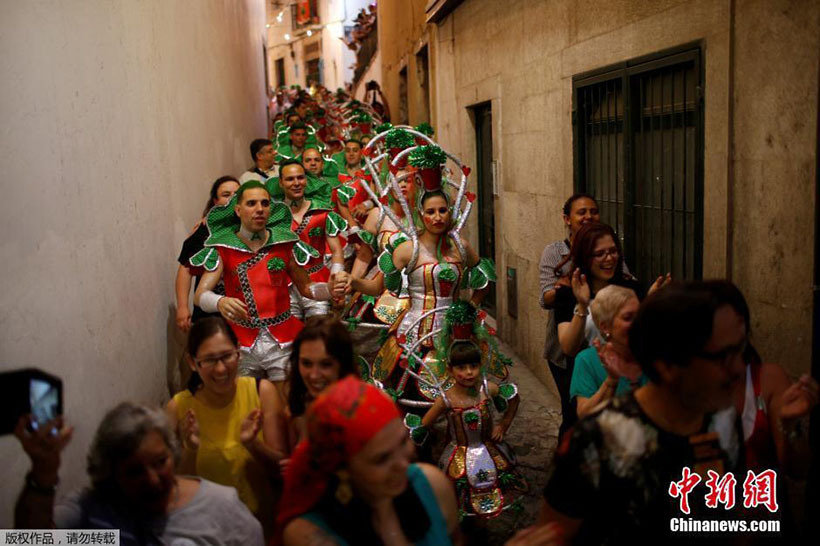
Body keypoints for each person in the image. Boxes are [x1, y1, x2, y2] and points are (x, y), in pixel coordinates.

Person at [541, 281, 750, 542]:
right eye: (723, 357)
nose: (740, 369)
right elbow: (555, 534)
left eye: (741, 350)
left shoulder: (723, 418)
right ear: (668, 365)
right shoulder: (597, 438)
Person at [14, 402, 263, 545]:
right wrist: (43, 472)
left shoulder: (220, 507)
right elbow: (31, 541)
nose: (153, 480)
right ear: (110, 472)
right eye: (134, 472)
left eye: (160, 462)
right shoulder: (93, 510)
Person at [192, 182, 337, 396]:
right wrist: (219, 302)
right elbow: (200, 295)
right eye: (251, 203)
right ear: (238, 210)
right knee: (245, 404)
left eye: (265, 203)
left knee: (285, 405)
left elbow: (307, 288)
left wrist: (330, 289)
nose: (259, 209)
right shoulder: (224, 248)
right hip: (241, 341)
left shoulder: (284, 244)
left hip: (282, 340)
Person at [278, 376, 461, 545]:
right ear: (343, 469)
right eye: (382, 459)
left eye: (403, 442)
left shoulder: (431, 485)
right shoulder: (309, 535)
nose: (403, 464)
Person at [166, 317, 280, 538]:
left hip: (260, 528)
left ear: (238, 351)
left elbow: (281, 472)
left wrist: (252, 444)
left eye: (227, 356)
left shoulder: (261, 391)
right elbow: (171, 491)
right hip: (204, 534)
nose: (220, 369)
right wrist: (190, 448)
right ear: (192, 362)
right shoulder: (178, 408)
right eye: (209, 360)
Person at [412, 301, 524, 519]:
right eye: (461, 368)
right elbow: (423, 425)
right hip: (457, 456)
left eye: (473, 366)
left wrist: (503, 424)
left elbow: (514, 398)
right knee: (459, 501)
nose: (469, 372)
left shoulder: (486, 389)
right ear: (451, 370)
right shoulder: (445, 400)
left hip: (490, 451)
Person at [553, 222, 668, 435]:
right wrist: (582, 304)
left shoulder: (631, 288)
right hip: (590, 377)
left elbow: (641, 333)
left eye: (613, 251)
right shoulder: (567, 294)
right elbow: (568, 347)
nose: (609, 259)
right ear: (586, 257)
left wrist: (649, 305)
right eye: (600, 254)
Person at [270, 316, 359, 469]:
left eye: (325, 364)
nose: (314, 375)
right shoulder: (296, 409)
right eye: (306, 363)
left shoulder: (363, 408)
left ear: (342, 363)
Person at [269, 160, 346, 320]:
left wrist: (336, 281)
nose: (296, 183)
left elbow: (337, 250)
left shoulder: (321, 211)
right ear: (281, 183)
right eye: (290, 179)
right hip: (285, 286)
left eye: (300, 178)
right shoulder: (272, 215)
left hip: (317, 281)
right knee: (290, 338)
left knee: (318, 334)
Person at [570, 284, 647, 418]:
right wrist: (611, 381)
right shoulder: (587, 360)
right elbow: (585, 414)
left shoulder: (654, 354)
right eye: (628, 318)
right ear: (605, 327)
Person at [175, 176, 240, 333]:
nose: (232, 198)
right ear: (215, 202)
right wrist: (183, 307)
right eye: (226, 195)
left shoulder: (253, 227)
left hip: (244, 310)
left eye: (237, 194)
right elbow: (186, 268)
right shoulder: (204, 231)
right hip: (209, 311)